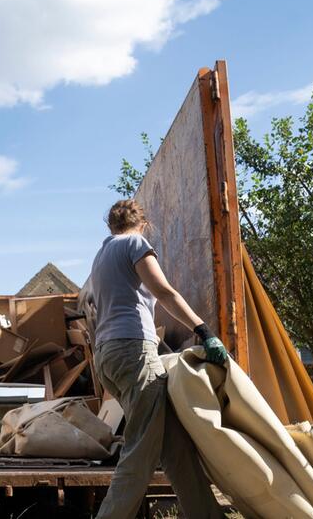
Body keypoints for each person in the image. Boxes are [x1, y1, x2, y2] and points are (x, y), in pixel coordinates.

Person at [91, 199, 227, 519]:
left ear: (110, 225)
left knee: (173, 447)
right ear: (144, 224)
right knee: (139, 453)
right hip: (134, 352)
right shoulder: (135, 243)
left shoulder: (101, 255)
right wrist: (203, 330)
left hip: (108, 356)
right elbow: (164, 291)